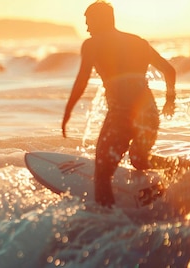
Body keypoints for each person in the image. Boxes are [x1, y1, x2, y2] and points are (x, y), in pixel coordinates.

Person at [61, 1, 176, 208]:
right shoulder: (138, 42)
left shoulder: (92, 44)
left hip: (121, 116)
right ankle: (181, 171)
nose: (87, 27)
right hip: (148, 113)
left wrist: (67, 112)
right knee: (139, 159)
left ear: (100, 20)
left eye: (89, 22)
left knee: (102, 171)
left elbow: (81, 81)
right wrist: (170, 99)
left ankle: (107, 217)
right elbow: (170, 71)